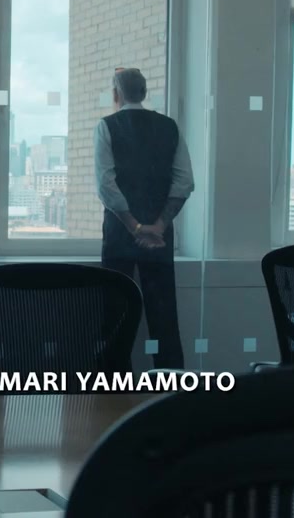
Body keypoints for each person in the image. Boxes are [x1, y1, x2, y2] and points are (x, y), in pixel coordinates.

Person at [93, 67, 193, 370]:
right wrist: (158, 226)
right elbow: (184, 182)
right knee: (164, 319)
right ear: (145, 93)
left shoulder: (107, 126)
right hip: (160, 237)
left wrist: (134, 227)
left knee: (115, 318)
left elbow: (106, 185)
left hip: (119, 234)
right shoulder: (169, 127)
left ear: (116, 94)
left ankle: (113, 390)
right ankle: (172, 386)